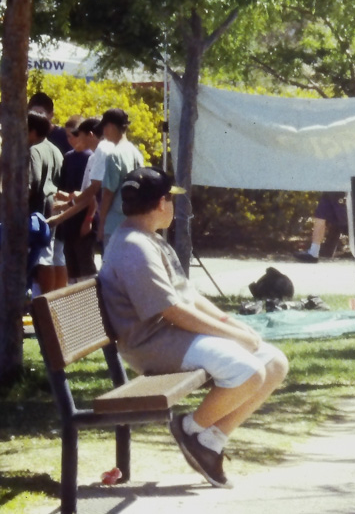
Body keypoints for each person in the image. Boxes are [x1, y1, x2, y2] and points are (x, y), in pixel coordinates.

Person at [99, 167, 288, 488]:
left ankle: (209, 441)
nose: (173, 206)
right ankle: (188, 429)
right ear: (161, 204)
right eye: (170, 200)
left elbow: (188, 295)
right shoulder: (135, 246)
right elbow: (172, 310)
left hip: (171, 336)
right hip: (151, 344)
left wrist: (230, 323)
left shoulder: (149, 238)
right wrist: (232, 335)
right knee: (249, 372)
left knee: (274, 363)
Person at [97, 109, 147, 246]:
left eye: (104, 126)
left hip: (114, 223)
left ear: (111, 126)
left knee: (111, 265)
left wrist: (101, 224)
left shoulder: (114, 155)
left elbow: (108, 193)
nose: (103, 131)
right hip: (133, 221)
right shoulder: (136, 153)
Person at [28, 111, 65, 294]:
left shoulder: (33, 150)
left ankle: (43, 303)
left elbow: (30, 184)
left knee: (41, 259)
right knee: (50, 255)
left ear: (32, 131)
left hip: (36, 210)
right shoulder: (55, 150)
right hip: (52, 206)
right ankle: (49, 302)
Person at [58, 116, 98, 283]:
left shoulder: (92, 157)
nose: (71, 140)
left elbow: (93, 193)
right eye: (67, 136)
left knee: (85, 264)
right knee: (71, 266)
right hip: (70, 219)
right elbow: (67, 188)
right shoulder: (68, 157)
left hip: (85, 218)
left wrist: (88, 219)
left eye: (74, 135)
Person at [294, 193, 349, 262]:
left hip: (341, 188)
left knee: (347, 221)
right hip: (330, 189)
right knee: (320, 214)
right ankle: (313, 252)